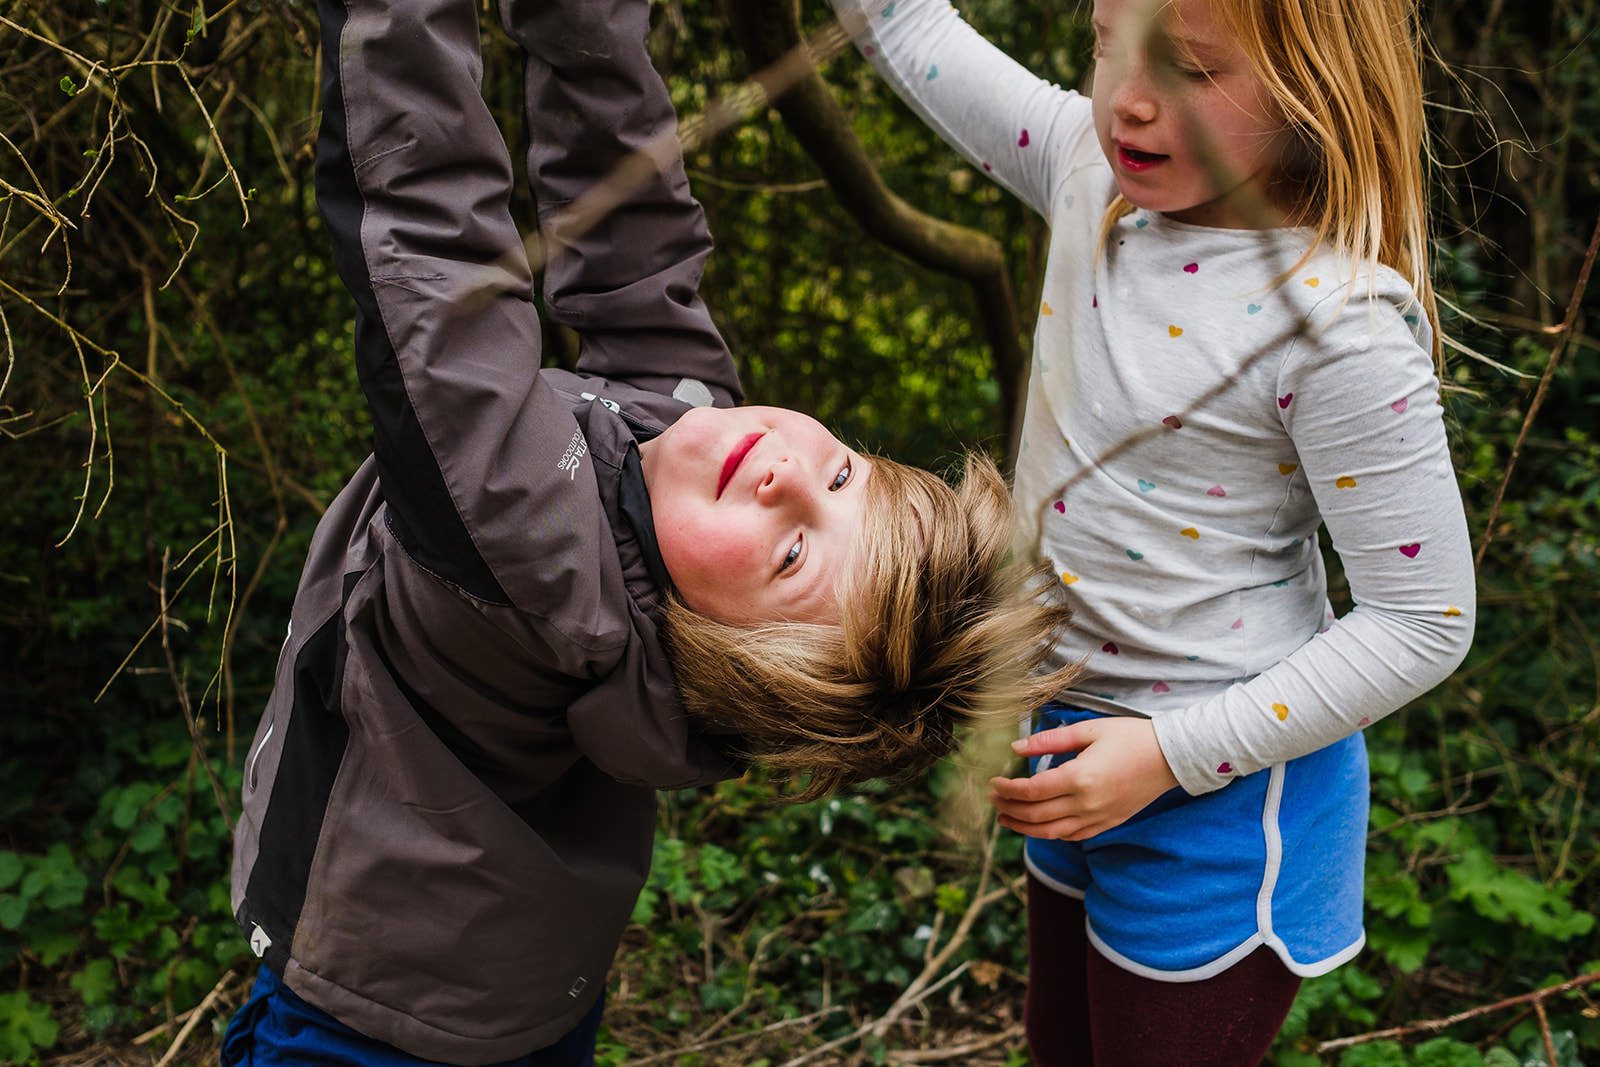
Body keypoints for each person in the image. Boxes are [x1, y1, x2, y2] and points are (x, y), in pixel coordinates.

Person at [222, 0, 1073, 1063]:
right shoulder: (688, 444)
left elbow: (430, 238)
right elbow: (630, 221)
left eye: (794, 551)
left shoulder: (529, 545)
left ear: (726, 652)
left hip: (362, 1017)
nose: (784, 471)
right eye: (846, 471)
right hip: (530, 990)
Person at [824, 0, 1475, 1062]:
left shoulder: (1338, 324)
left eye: (1189, 69)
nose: (1126, 97)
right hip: (1068, 755)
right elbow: (907, 30)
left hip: (1218, 804)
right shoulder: (1091, 173)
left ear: (1314, 89)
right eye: (1106, 43)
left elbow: (1422, 623)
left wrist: (1167, 756)